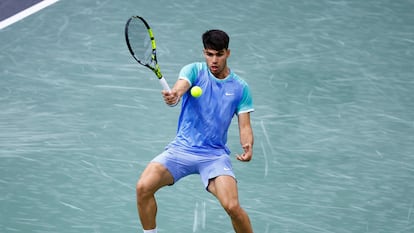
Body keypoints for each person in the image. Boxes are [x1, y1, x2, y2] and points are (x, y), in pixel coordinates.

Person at [136, 29, 254, 233]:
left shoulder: (240, 88)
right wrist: (175, 95)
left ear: (228, 53)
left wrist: (248, 144)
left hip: (214, 156)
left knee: (233, 207)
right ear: (204, 53)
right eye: (209, 54)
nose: (214, 60)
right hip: (180, 150)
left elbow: (245, 125)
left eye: (219, 54)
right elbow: (181, 87)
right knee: (143, 188)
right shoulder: (194, 71)